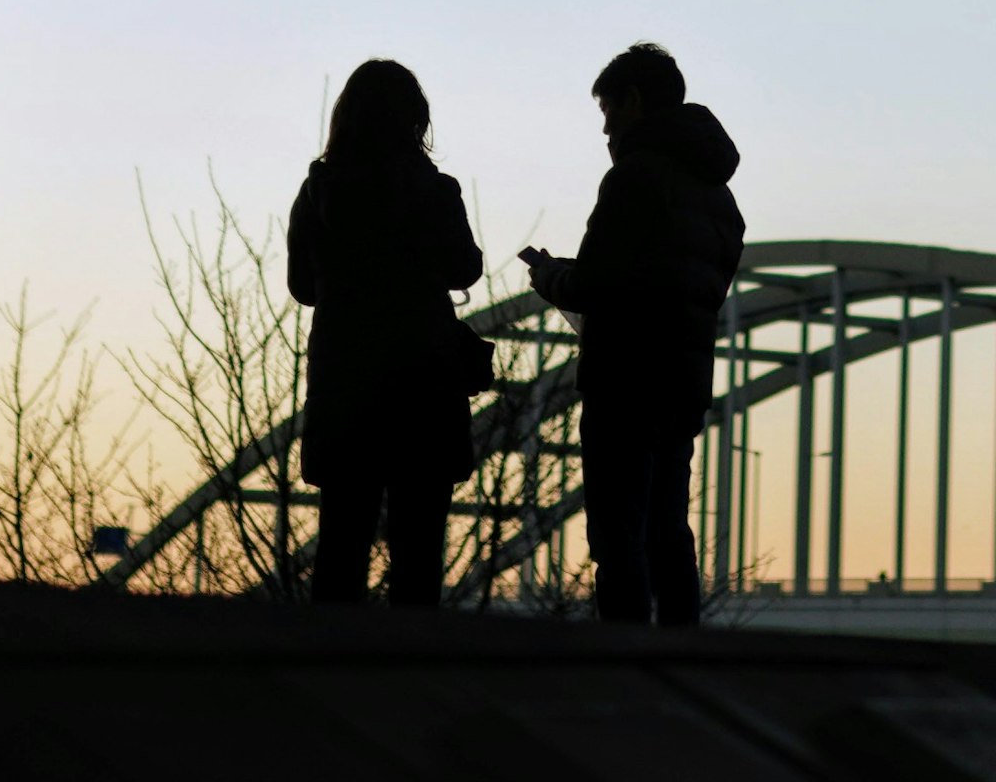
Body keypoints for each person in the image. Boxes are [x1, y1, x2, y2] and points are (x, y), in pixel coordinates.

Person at [521, 43, 741, 625]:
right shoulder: (719, 197)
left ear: (635, 101)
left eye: (609, 112)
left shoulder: (635, 178)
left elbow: (596, 285)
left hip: (624, 381)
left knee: (618, 537)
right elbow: (689, 287)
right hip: (682, 381)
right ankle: (680, 658)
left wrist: (550, 275)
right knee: (669, 531)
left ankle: (624, 658)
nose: (605, 129)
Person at [288, 60, 485, 607]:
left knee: (341, 547)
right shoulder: (435, 191)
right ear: (415, 121)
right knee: (419, 550)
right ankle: (410, 678)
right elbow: (465, 268)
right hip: (423, 385)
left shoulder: (320, 190)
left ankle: (333, 675)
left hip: (346, 383)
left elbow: (303, 285)